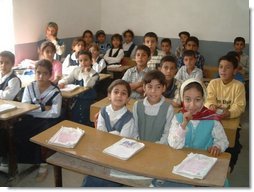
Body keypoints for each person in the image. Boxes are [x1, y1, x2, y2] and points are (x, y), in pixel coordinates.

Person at [152, 78, 229, 187]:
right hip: (180, 165)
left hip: (204, 165)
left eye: (197, 99)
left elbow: (223, 141)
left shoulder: (212, 119)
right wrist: (183, 124)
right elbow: (174, 144)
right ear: (182, 99)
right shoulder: (178, 118)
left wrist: (217, 146)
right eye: (188, 99)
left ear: (204, 99)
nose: (192, 105)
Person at [82, 79, 136, 187]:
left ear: (128, 99)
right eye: (116, 92)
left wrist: (109, 135)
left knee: (107, 179)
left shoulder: (129, 118)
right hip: (103, 150)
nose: (119, 95)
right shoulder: (103, 111)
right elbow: (100, 134)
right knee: (91, 176)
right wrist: (114, 134)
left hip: (121, 154)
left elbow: (122, 141)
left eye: (123, 93)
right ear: (109, 95)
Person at [14, 59, 62, 181]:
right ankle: (26, 159)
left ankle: (43, 163)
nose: (40, 76)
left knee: (42, 133)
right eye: (38, 72)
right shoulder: (29, 87)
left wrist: (35, 110)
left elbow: (55, 113)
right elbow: (25, 107)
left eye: (45, 73)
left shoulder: (55, 92)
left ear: (50, 74)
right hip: (30, 118)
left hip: (48, 121)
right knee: (16, 128)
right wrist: (43, 108)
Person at [205, 54, 246, 173]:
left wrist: (229, 113)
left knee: (234, 146)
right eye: (221, 67)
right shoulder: (213, 83)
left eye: (227, 67)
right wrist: (211, 105)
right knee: (209, 141)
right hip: (214, 119)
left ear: (235, 71)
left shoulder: (238, 86)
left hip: (230, 121)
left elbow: (239, 106)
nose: (223, 70)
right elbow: (209, 100)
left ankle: (229, 166)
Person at [133, 70, 174, 144]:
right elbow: (134, 129)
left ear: (164, 88)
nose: (153, 91)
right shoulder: (137, 105)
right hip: (138, 146)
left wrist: (156, 146)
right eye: (150, 87)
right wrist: (138, 142)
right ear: (144, 87)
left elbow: (167, 133)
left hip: (159, 148)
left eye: (158, 87)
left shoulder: (168, 108)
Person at [58, 50, 99, 126]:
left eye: (86, 60)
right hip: (75, 98)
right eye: (80, 60)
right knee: (70, 111)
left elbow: (87, 85)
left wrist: (86, 73)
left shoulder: (94, 74)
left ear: (91, 61)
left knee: (83, 113)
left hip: (87, 99)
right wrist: (62, 82)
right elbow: (68, 78)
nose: (83, 63)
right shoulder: (76, 70)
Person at [0, 51, 22, 166]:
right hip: (2, 110)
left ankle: (4, 156)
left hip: (13, 113)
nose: (3, 65)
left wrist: (2, 93)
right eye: (1, 62)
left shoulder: (14, 79)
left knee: (3, 130)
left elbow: (8, 96)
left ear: (12, 64)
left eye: (7, 63)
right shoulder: (1, 76)